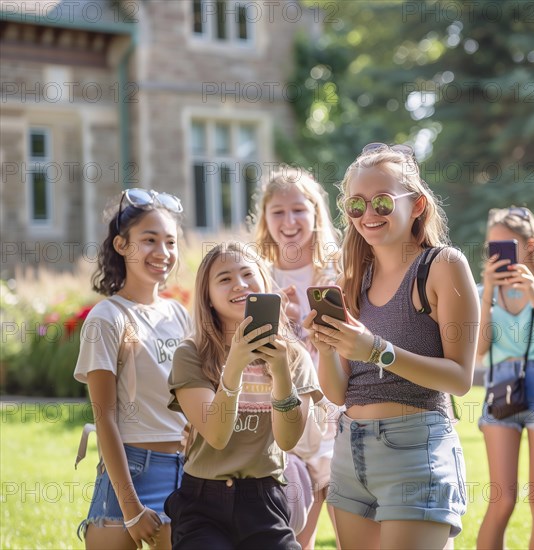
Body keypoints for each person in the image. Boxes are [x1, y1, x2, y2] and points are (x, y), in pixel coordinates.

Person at [303, 143, 480, 549]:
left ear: (417, 205)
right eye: (356, 205)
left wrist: (376, 350)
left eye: (382, 202)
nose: (369, 215)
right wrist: (327, 346)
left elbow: (459, 379)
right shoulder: (353, 279)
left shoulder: (442, 265)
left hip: (415, 448)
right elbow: (337, 391)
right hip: (350, 451)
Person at [164, 241, 323, 550]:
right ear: (207, 297)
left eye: (248, 274)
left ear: (264, 281)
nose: (239, 284)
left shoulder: (293, 357)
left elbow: (288, 440)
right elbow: (216, 435)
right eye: (224, 278)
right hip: (203, 503)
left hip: (265, 499)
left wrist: (280, 374)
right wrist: (234, 365)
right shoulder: (191, 354)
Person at [74, 188, 192, 550]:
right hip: (130, 471)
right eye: (150, 240)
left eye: (170, 242)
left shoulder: (179, 314)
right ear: (122, 245)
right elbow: (105, 418)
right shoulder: (106, 318)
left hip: (185, 472)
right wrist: (130, 508)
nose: (163, 252)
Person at [252, 165, 341, 549]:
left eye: (299, 210)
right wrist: (286, 329)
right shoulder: (258, 277)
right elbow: (252, 357)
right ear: (265, 219)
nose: (289, 221)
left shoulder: (338, 271)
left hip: (339, 415)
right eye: (278, 212)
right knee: (296, 538)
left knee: (352, 534)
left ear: (316, 213)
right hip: (287, 420)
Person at [476, 207, 534, 550]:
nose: (498, 254)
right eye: (493, 247)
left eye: (507, 245)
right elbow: (476, 352)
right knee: (501, 500)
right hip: (501, 390)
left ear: (530, 246)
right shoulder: (482, 293)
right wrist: (489, 290)